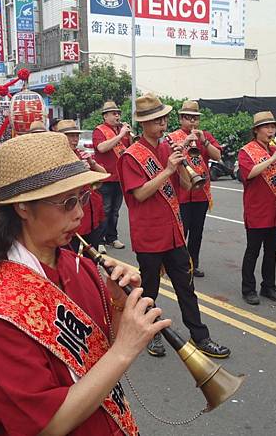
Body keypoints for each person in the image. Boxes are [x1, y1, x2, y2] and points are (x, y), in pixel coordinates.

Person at [0, 131, 168, 435]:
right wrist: (125, 349)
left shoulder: (80, 266)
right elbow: (47, 424)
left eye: (82, 198)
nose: (80, 213)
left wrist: (118, 303)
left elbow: (99, 351)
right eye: (68, 202)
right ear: (23, 207)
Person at [117, 93, 230, 359]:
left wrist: (183, 168)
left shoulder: (169, 147)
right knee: (149, 290)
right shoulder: (131, 156)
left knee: (186, 286)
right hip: (149, 233)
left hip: (174, 231)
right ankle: (150, 334)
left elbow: (188, 186)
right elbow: (140, 194)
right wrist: (167, 170)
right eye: (157, 120)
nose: (163, 124)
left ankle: (200, 336)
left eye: (165, 118)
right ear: (143, 124)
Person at [237, 111, 276, 306]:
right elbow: (250, 173)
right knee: (253, 251)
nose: (271, 131)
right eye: (267, 127)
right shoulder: (247, 151)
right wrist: (273, 158)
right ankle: (248, 289)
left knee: (272, 251)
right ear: (256, 130)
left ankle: (268, 286)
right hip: (257, 209)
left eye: (273, 127)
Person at [168, 100, 222, 278]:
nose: (192, 122)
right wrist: (185, 142)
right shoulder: (172, 136)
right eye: (188, 118)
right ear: (181, 119)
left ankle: (193, 264)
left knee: (197, 232)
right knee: (181, 231)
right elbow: (168, 159)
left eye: (195, 119)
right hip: (182, 193)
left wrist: (204, 141)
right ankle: (177, 264)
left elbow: (218, 156)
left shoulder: (204, 135)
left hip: (201, 192)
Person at [57, 119, 107, 253]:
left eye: (76, 136)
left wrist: (92, 163)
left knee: (92, 254)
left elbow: (103, 176)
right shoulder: (57, 158)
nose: (75, 139)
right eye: (71, 136)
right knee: (72, 256)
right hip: (73, 214)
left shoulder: (81, 154)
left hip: (92, 211)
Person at [93, 101, 132, 252]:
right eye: (114, 113)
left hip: (120, 177)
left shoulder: (122, 131)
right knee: (105, 209)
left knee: (115, 211)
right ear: (105, 116)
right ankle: (100, 240)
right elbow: (102, 148)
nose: (117, 116)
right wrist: (121, 134)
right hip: (105, 177)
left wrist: (126, 134)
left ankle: (112, 237)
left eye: (118, 113)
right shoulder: (99, 131)